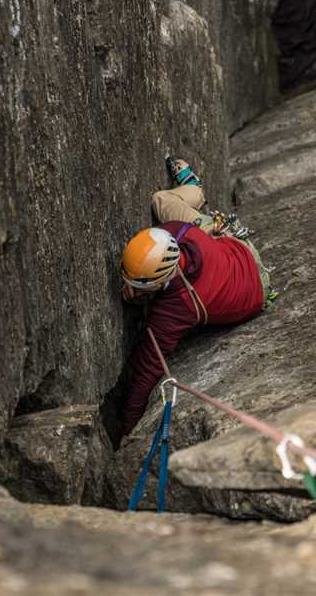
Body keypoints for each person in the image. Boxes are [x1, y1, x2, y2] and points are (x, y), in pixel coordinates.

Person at [119, 157, 272, 435]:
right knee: (162, 201)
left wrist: (126, 430)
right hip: (239, 250)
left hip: (255, 286)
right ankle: (195, 193)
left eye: (139, 286)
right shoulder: (178, 232)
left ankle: (195, 190)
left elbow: (146, 372)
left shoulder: (178, 309)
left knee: (163, 200)